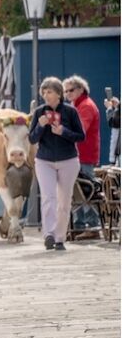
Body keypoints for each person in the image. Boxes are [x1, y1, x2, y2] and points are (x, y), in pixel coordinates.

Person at [30, 76, 86, 251]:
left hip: (68, 160)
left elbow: (81, 136)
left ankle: (60, 238)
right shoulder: (39, 112)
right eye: (44, 92)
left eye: (50, 92)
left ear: (59, 94)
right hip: (44, 160)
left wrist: (64, 131)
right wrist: (40, 126)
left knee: (64, 202)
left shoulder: (70, 112)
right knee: (48, 198)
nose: (46, 95)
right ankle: (49, 235)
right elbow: (32, 139)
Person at [65, 76, 103, 234]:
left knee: (87, 191)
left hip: (84, 155)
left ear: (81, 89)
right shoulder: (77, 105)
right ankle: (80, 226)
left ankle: (92, 226)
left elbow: (81, 129)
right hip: (78, 155)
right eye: (65, 91)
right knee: (77, 192)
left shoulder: (85, 106)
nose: (67, 94)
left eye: (71, 90)